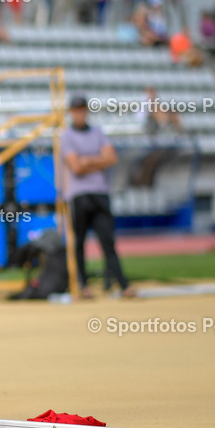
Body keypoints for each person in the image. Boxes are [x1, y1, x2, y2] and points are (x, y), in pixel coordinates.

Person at [61, 96, 136, 299]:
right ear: (71, 112)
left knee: (108, 241)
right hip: (79, 195)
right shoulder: (67, 136)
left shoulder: (97, 132)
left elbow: (111, 158)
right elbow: (76, 167)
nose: (80, 113)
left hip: (100, 192)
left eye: (82, 109)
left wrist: (86, 161)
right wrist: (97, 160)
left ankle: (121, 284)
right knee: (79, 242)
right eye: (76, 109)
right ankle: (83, 284)